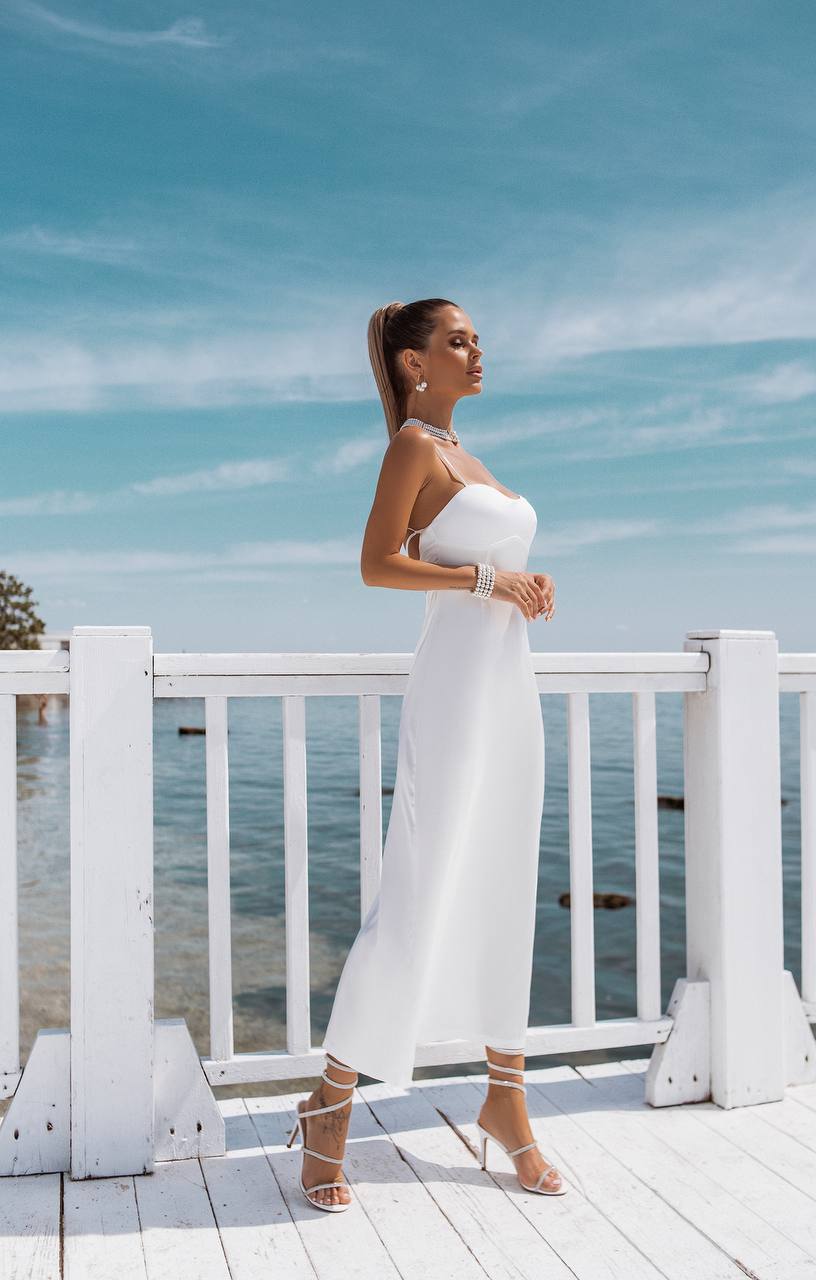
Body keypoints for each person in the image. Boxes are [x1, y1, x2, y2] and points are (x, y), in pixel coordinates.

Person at [286, 297, 565, 1211]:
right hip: (451, 693)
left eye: (479, 338)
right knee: (420, 886)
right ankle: (331, 1104)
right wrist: (489, 577)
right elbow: (376, 562)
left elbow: (461, 555)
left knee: (503, 882)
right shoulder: (413, 445)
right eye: (457, 340)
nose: (476, 350)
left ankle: (506, 1100)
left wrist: (521, 585)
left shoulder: (471, 459)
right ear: (414, 363)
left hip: (507, 692)